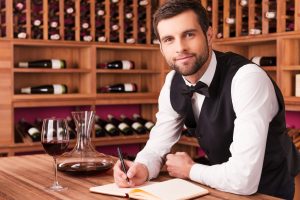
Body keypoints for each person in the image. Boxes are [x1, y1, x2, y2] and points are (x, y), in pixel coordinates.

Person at [113, 0, 300, 199]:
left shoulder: (247, 79)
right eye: (169, 39)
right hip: (217, 189)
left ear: (209, 35)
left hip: (268, 192)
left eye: (189, 34)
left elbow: (243, 179)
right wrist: (141, 168)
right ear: (161, 47)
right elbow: (157, 145)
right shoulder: (172, 81)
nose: (180, 48)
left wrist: (190, 169)